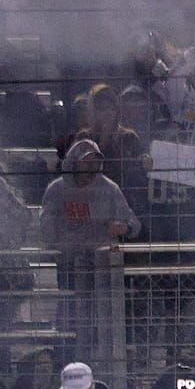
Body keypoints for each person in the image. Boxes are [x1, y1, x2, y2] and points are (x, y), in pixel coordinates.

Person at [40, 138, 141, 360]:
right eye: (86, 161)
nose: (90, 166)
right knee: (71, 313)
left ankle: (107, 360)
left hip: (102, 266)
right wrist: (60, 244)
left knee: (104, 314)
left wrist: (123, 227)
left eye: (94, 161)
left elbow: (133, 223)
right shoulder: (57, 190)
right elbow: (46, 227)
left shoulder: (109, 189)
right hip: (69, 264)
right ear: (74, 162)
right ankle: (68, 358)